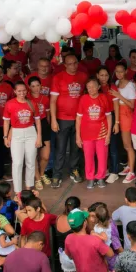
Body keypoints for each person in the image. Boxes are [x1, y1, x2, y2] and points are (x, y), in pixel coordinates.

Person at [51, 53, 89, 188]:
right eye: (70, 64)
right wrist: (54, 120)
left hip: (79, 118)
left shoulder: (83, 76)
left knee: (76, 147)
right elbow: (53, 100)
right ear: (65, 65)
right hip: (62, 119)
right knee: (61, 148)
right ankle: (57, 174)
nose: (73, 66)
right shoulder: (58, 78)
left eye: (75, 63)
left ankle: (74, 170)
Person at [75, 78, 113, 189]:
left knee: (102, 157)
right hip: (86, 134)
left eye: (93, 86)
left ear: (98, 87)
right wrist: (78, 136)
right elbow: (78, 118)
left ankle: (100, 177)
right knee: (88, 157)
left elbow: (109, 116)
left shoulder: (103, 98)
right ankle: (90, 178)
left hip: (102, 133)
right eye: (89, 87)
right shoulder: (83, 99)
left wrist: (108, 134)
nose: (91, 89)